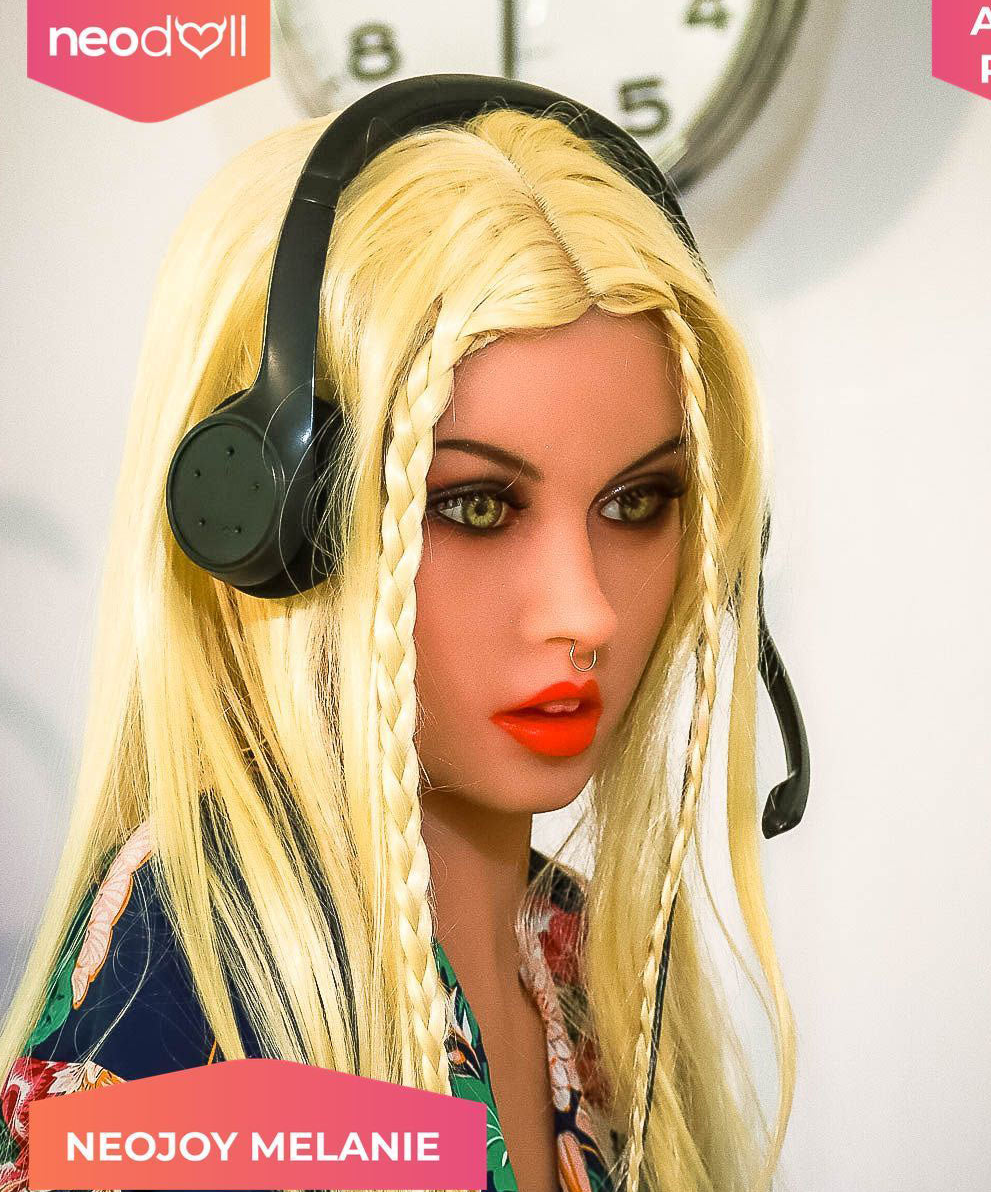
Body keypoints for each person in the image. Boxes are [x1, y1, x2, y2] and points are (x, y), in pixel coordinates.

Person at [0, 97, 796, 1192]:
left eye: (636, 502)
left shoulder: (576, 961)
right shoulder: (185, 999)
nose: (588, 613)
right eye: (476, 506)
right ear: (275, 528)